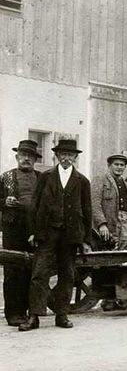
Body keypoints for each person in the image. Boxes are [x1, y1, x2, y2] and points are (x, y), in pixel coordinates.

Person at [19, 139, 92, 331]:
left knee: (67, 275)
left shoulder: (82, 181)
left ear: (75, 157)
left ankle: (62, 315)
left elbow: (87, 210)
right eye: (62, 154)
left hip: (70, 235)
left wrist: (86, 240)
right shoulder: (46, 176)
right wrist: (33, 232)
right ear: (57, 156)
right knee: (39, 274)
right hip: (47, 233)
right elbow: (34, 206)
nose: (66, 158)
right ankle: (34, 317)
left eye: (70, 155)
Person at [91, 154, 127, 311]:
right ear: (109, 165)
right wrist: (102, 225)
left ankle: (122, 297)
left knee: (124, 261)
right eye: (116, 164)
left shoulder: (125, 184)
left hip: (125, 223)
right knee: (109, 261)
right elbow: (94, 204)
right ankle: (108, 299)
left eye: (122, 165)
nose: (119, 167)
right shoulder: (100, 179)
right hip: (110, 225)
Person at [0, 140, 41, 326]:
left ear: (35, 160)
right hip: (13, 229)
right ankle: (14, 314)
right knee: (13, 272)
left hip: (34, 229)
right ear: (17, 157)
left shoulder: (42, 178)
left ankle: (29, 312)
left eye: (30, 156)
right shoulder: (6, 177)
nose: (26, 159)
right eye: (23, 155)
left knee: (32, 271)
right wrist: (4, 201)